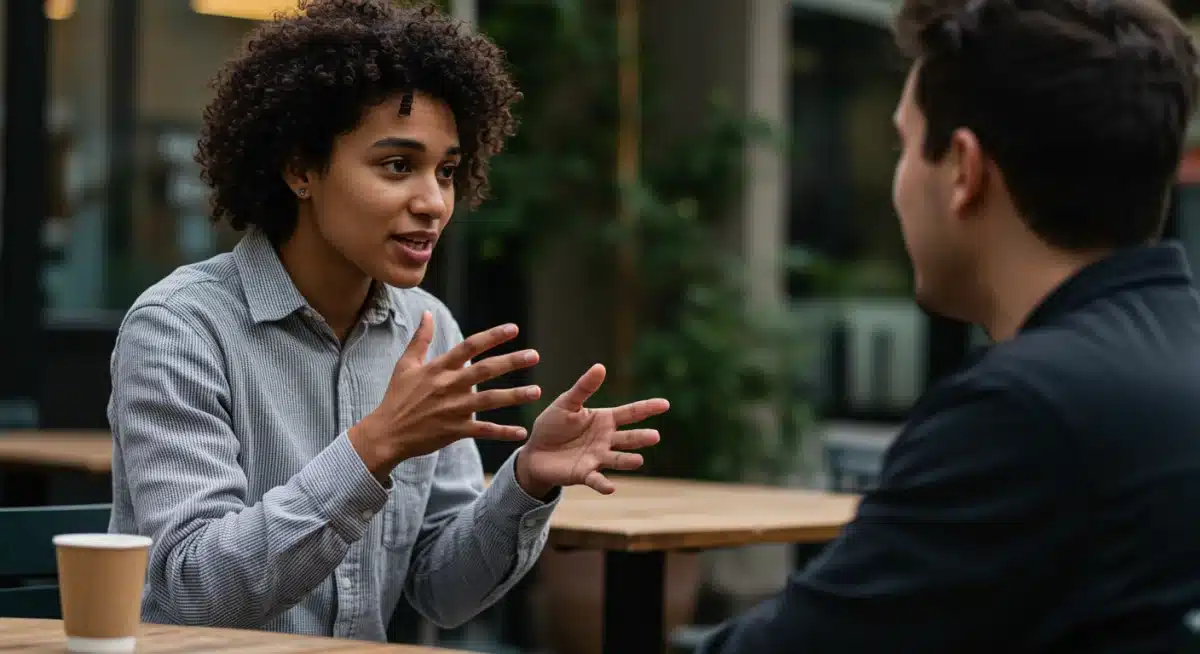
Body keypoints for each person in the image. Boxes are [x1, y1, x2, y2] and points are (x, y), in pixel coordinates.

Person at [106, 0, 669, 641]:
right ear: (300, 169)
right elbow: (189, 595)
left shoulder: (427, 329)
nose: (433, 202)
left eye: (447, 171)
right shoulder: (181, 328)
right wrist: (374, 448)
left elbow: (443, 592)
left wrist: (525, 482)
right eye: (397, 165)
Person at [697, 0, 1200, 652]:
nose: (896, 184)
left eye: (904, 145)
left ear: (964, 170)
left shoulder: (1028, 412)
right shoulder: (1166, 365)